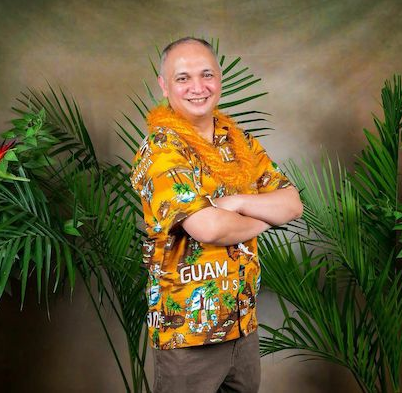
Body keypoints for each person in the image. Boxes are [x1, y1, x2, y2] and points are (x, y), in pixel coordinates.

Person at [130, 37, 303, 393]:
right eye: (183, 78)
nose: (198, 87)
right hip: (189, 337)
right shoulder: (160, 150)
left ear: (219, 79)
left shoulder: (239, 142)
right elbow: (207, 227)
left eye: (206, 74)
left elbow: (291, 203)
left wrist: (236, 203)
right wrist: (265, 217)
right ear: (164, 85)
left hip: (243, 324)